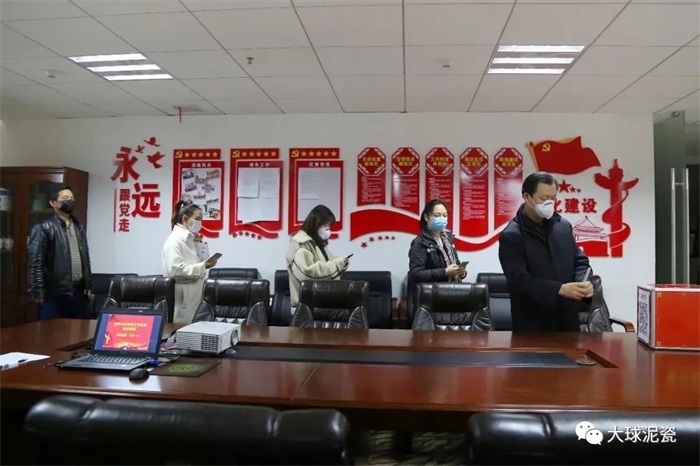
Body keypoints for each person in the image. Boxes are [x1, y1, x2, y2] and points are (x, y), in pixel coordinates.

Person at [498, 171, 594, 332]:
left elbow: (580, 261)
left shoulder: (563, 226)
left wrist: (584, 282)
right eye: (544, 198)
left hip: (567, 320)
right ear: (527, 197)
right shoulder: (512, 235)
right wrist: (559, 289)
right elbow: (518, 279)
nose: (549, 203)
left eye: (553, 198)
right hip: (532, 324)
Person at [28, 182, 92, 320]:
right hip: (54, 293)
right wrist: (37, 290)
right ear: (53, 203)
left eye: (72, 198)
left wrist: (88, 283)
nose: (70, 201)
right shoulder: (44, 227)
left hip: (78, 291)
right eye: (65, 199)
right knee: (51, 331)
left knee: (78, 330)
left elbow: (85, 258)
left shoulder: (78, 226)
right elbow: (36, 262)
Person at [407, 199, 467, 320]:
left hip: (454, 296)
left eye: (444, 215)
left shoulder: (448, 240)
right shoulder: (419, 243)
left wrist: (461, 272)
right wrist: (444, 272)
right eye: (437, 215)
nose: (442, 219)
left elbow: (456, 264)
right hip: (431, 301)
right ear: (426, 217)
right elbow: (416, 274)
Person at [162, 200, 218, 323]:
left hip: (195, 295)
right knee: (182, 330)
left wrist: (199, 244)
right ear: (185, 219)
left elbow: (201, 261)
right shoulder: (174, 241)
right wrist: (203, 266)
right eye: (197, 219)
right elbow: (175, 271)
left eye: (201, 219)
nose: (200, 222)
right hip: (182, 299)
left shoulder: (191, 239)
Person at [286, 205, 348, 314]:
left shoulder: (317, 243)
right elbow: (308, 274)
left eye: (329, 226)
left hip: (320, 305)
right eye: (325, 225)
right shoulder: (301, 243)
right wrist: (337, 265)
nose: (328, 229)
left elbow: (328, 262)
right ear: (315, 224)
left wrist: (342, 262)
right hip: (305, 309)